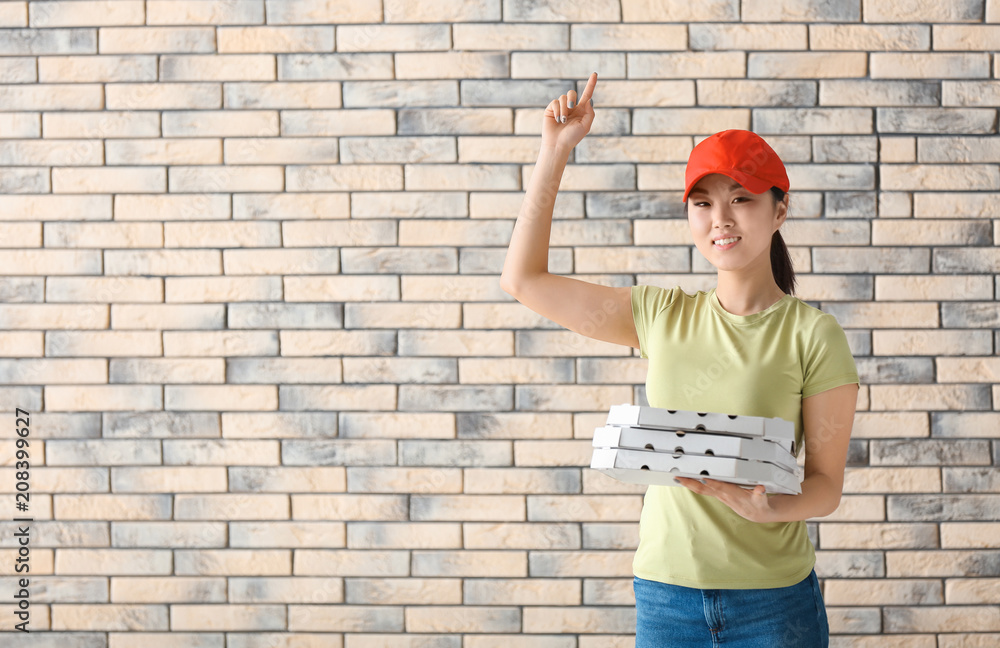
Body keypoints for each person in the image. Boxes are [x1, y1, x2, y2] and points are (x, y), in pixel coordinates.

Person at [500, 72, 860, 647]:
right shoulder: (661, 315)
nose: (722, 218)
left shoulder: (814, 335)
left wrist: (768, 511)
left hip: (773, 603)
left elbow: (826, 485)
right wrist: (554, 152)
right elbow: (523, 279)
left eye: (741, 199)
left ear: (779, 210)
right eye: (704, 203)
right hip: (667, 596)